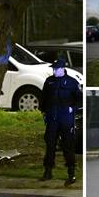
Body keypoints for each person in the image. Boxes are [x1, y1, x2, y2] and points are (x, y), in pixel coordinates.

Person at [40, 58, 82, 187]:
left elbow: (79, 99)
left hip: (66, 118)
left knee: (68, 146)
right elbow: (43, 98)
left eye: (56, 69)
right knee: (50, 144)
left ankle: (71, 173)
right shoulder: (49, 81)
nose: (54, 71)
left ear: (63, 68)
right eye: (53, 69)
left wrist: (73, 109)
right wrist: (44, 112)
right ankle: (48, 171)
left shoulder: (71, 82)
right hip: (52, 117)